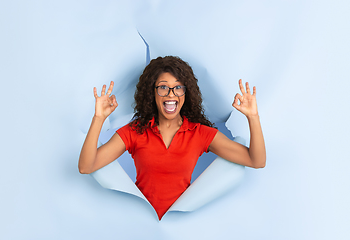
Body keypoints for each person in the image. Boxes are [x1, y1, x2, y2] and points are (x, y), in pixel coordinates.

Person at [78, 56, 266, 220]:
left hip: (181, 225)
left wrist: (253, 117)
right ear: (152, 92)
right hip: (140, 222)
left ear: (186, 92)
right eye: (163, 88)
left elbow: (256, 160)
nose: (171, 94)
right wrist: (99, 118)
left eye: (178, 88)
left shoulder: (199, 133)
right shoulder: (134, 131)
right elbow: (86, 166)